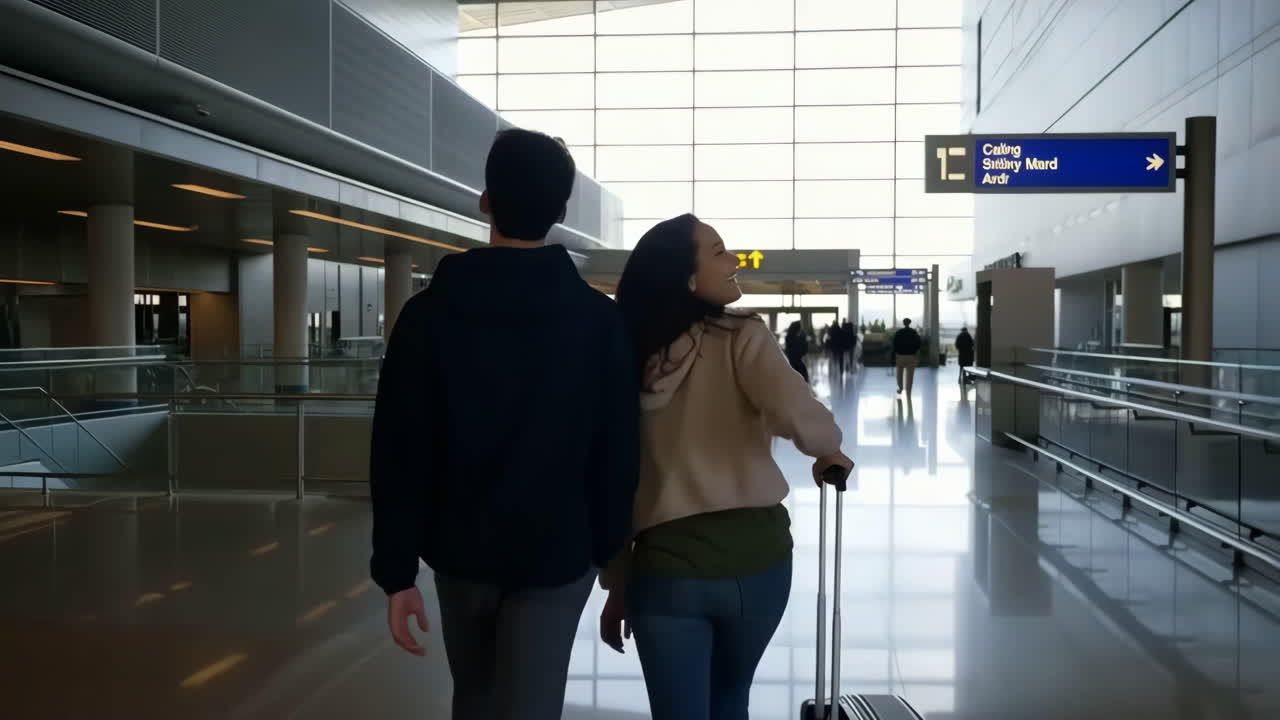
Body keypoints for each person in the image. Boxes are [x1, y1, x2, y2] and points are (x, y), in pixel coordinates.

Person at [369, 128, 640, 720]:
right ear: (562, 212)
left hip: (461, 550)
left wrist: (397, 572)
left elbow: (399, 449)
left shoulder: (428, 315)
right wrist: (605, 547)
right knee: (531, 705)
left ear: (484, 199)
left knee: (476, 697)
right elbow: (619, 448)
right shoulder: (597, 322)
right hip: (558, 551)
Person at [599, 213, 854, 720]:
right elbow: (801, 416)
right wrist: (827, 448)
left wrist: (617, 581)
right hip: (760, 561)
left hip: (667, 568)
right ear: (688, 279)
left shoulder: (625, 354)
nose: (734, 260)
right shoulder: (742, 336)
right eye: (719, 251)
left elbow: (613, 478)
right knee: (731, 698)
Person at [893, 318, 923, 396]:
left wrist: (896, 355)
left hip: (900, 356)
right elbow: (918, 344)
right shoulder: (914, 332)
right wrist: (917, 356)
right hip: (911, 356)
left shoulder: (899, 332)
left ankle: (900, 388)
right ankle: (908, 391)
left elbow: (895, 344)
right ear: (909, 323)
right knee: (910, 375)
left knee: (899, 373)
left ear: (903, 323)